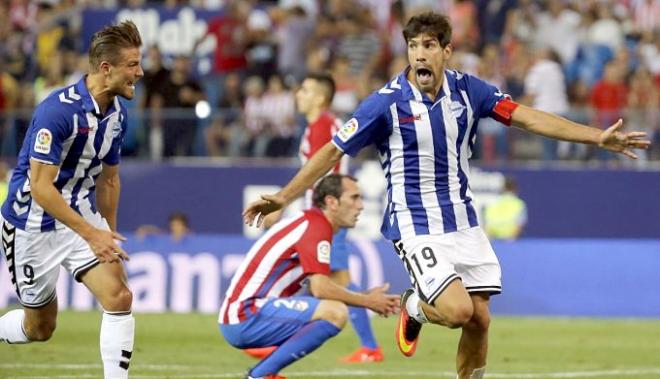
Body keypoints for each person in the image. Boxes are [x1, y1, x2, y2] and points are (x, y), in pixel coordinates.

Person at [243, 12, 651, 379]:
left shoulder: (470, 91)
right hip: (414, 221)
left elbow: (527, 117)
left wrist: (595, 136)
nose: (420, 54)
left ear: (446, 51)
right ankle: (414, 307)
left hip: (462, 219)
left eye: (429, 45)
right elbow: (333, 149)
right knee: (458, 312)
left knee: (481, 320)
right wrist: (283, 195)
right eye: (413, 46)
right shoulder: (384, 104)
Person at [0, 21, 143, 379]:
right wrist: (93, 235)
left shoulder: (117, 116)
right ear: (106, 68)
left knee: (119, 297)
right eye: (132, 65)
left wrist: (107, 232)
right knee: (40, 329)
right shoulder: (57, 112)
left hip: (79, 214)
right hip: (32, 224)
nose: (139, 73)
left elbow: (109, 181)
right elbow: (41, 188)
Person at [220, 174, 399, 379]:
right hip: (246, 315)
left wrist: (365, 296)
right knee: (335, 312)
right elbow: (320, 289)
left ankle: (264, 371)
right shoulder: (316, 227)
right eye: (354, 198)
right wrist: (368, 301)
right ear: (331, 202)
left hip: (247, 313)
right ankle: (261, 375)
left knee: (333, 307)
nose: (360, 206)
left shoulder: (312, 222)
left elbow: (322, 290)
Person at [258, 72, 384, 363]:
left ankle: (370, 347)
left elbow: (317, 174)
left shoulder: (322, 126)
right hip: (325, 215)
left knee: (335, 281)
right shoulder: (321, 125)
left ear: (320, 97)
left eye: (304, 89)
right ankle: (281, 341)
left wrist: (283, 205)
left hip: (326, 217)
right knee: (317, 281)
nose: (298, 95)